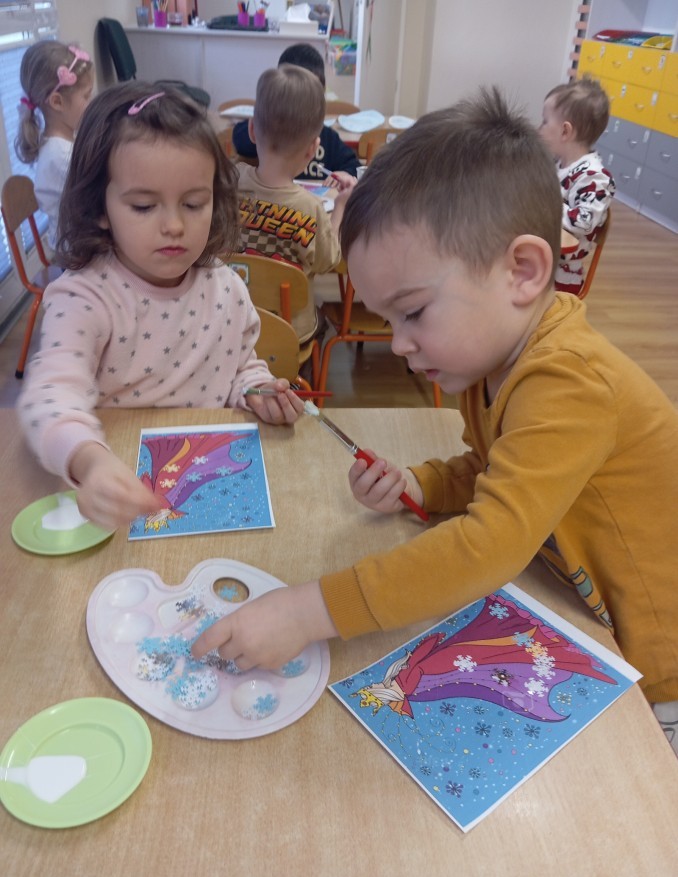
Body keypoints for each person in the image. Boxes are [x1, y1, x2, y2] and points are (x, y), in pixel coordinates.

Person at [193, 87, 678, 755]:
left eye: (415, 313)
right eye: (389, 320)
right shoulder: (493, 361)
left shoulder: (568, 380)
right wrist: (420, 484)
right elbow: (492, 468)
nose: (398, 344)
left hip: (655, 661)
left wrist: (308, 610)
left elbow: (489, 544)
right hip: (577, 609)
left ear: (523, 271)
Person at [17, 82, 304, 532]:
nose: (174, 225)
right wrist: (89, 462)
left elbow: (239, 366)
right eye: (144, 206)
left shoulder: (227, 289)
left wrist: (257, 391)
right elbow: (49, 399)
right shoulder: (84, 299)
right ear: (100, 207)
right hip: (116, 492)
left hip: (206, 486)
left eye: (193, 203)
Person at [236, 65, 354, 343]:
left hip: (234, 323)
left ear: (251, 130)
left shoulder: (229, 182)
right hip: (290, 331)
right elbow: (329, 260)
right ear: (313, 148)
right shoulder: (310, 208)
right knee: (321, 322)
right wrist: (340, 208)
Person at [232, 42, 359, 181]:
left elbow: (353, 166)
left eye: (309, 96)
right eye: (292, 96)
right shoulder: (269, 127)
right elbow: (240, 138)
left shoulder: (328, 138)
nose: (300, 104)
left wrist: (345, 174)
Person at [538, 76, 615, 294]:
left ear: (565, 131)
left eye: (545, 121)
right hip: (542, 257)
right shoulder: (558, 163)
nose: (539, 128)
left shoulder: (594, 178)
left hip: (560, 278)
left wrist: (542, 204)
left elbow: (583, 221)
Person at [15, 40, 94, 250]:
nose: (92, 102)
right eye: (86, 96)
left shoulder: (64, 142)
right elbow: (96, 201)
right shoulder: (60, 156)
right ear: (57, 102)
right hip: (78, 252)